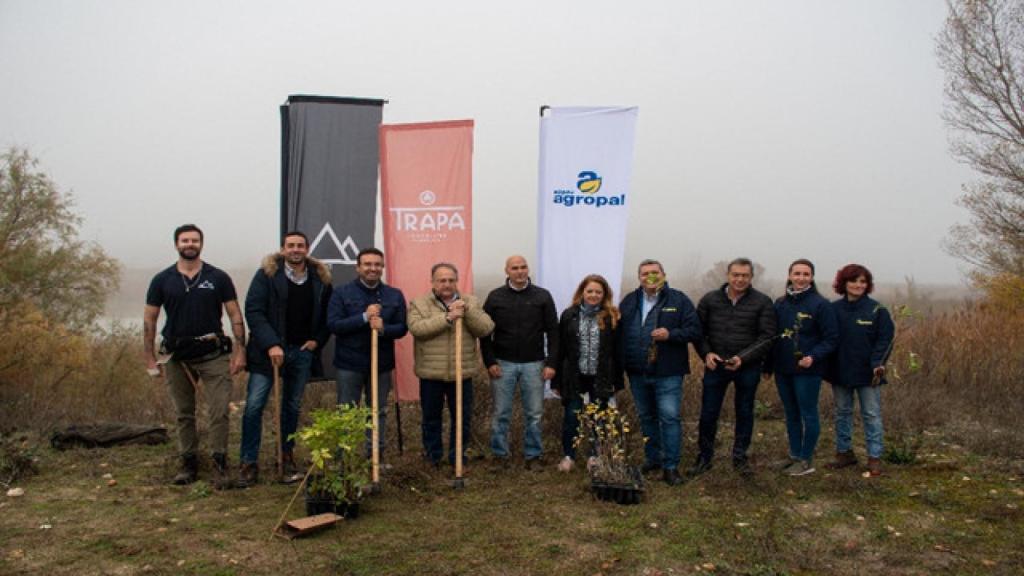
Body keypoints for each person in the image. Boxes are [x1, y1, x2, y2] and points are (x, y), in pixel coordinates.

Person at [143, 224, 246, 488]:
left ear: (201, 244)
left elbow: (235, 314)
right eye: (185, 240)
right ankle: (188, 464)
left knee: (219, 410)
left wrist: (240, 350)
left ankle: (220, 463)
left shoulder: (218, 277)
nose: (190, 244)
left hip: (213, 352)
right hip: (177, 354)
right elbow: (150, 319)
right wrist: (149, 358)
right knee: (183, 412)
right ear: (176, 244)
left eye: (195, 240)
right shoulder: (162, 279)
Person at [238, 231, 333, 487]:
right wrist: (271, 344)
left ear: (307, 249)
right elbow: (254, 311)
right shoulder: (266, 275)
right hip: (265, 354)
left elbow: (328, 316)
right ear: (283, 249)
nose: (295, 250)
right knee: (254, 406)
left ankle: (286, 456)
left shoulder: (320, 279)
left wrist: (317, 341)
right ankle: (248, 463)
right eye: (290, 246)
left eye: (300, 246)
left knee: (291, 407)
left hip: (300, 353)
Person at [690, 258, 776, 478]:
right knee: (709, 413)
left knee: (744, 412)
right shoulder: (710, 300)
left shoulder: (763, 302)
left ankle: (740, 457)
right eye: (735, 275)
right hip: (715, 365)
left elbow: (767, 337)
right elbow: (698, 333)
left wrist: (743, 358)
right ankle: (704, 457)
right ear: (727, 275)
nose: (739, 279)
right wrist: (706, 353)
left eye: (744, 275)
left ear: (751, 277)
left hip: (746, 367)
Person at [618, 260, 700, 486]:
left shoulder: (678, 300)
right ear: (639, 277)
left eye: (655, 272)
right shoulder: (629, 301)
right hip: (637, 370)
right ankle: (652, 458)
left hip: (668, 371)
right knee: (647, 417)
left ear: (663, 274)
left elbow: (694, 330)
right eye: (645, 273)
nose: (650, 277)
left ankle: (671, 467)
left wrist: (671, 334)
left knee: (669, 418)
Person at [408, 263, 494, 467]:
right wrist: (447, 317)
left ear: (456, 281)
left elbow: (486, 328)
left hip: (461, 373)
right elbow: (417, 329)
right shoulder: (419, 303)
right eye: (442, 280)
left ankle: (458, 457)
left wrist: (467, 311)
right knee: (431, 418)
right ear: (433, 282)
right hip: (431, 373)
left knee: (461, 419)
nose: (447, 284)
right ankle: (433, 457)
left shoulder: (470, 301)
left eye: (451, 280)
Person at [327, 247, 408, 459]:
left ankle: (374, 457)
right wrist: (363, 317)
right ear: (358, 267)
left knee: (377, 411)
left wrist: (383, 328)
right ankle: (344, 459)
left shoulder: (394, 295)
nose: (373, 269)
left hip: (380, 365)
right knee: (347, 412)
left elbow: (402, 328)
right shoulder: (341, 293)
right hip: (349, 364)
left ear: (382, 267)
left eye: (377, 265)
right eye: (368, 264)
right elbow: (334, 325)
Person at [480, 255, 559, 469]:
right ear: (506, 271)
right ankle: (500, 456)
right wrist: (489, 362)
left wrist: (552, 363)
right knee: (501, 413)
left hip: (534, 364)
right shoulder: (495, 297)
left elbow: (554, 332)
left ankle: (533, 456)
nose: (520, 271)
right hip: (502, 363)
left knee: (534, 413)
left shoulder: (542, 296)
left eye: (523, 267)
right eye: (515, 268)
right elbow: (485, 333)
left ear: (528, 269)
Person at [769, 258, 838, 476]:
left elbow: (831, 338)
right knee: (791, 414)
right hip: (783, 368)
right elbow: (773, 337)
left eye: (805, 274)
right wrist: (768, 365)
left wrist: (813, 356)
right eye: (796, 273)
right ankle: (795, 455)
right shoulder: (780, 304)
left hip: (808, 370)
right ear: (789, 275)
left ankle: (806, 459)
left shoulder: (821, 305)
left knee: (808, 413)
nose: (800, 278)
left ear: (812, 277)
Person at [826, 264, 894, 477]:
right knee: (842, 413)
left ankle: (874, 457)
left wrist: (878, 363)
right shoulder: (833, 309)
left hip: (868, 374)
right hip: (840, 371)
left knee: (871, 414)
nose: (858, 285)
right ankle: (844, 453)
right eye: (853, 281)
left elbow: (885, 340)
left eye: (863, 281)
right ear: (843, 283)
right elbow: (827, 339)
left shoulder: (877, 310)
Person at [551, 274, 624, 473]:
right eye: (589, 291)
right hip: (574, 375)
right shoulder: (569, 315)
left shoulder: (612, 316)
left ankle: (595, 456)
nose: (593, 295)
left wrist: (616, 382)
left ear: (604, 294)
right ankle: (568, 456)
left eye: (598, 292)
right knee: (571, 417)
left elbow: (617, 352)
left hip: (601, 376)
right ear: (582, 292)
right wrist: (556, 381)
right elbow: (561, 349)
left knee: (599, 419)